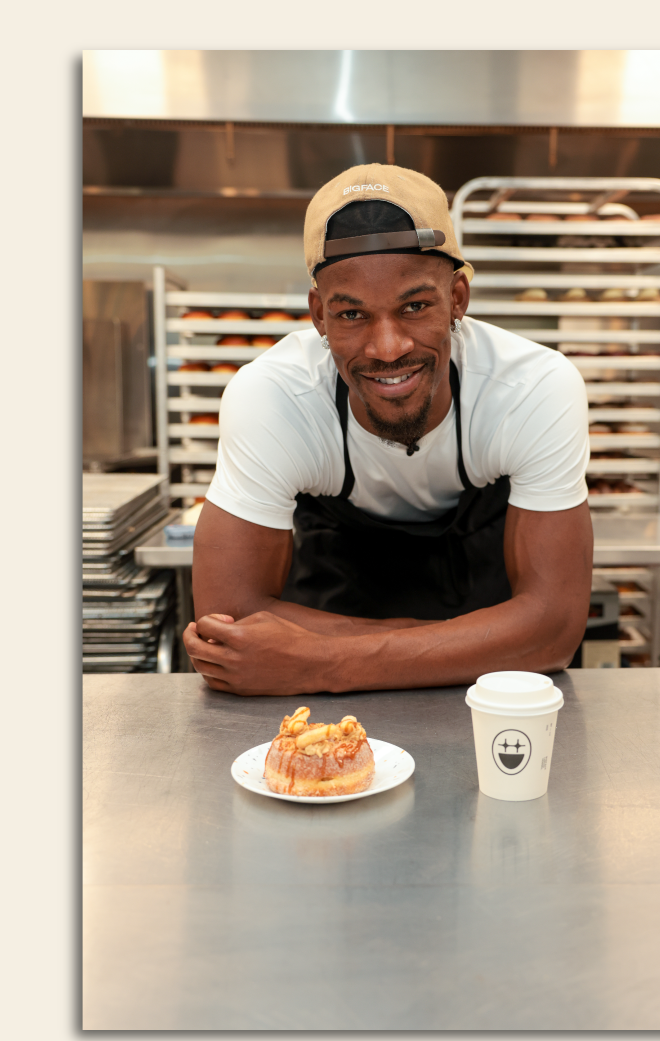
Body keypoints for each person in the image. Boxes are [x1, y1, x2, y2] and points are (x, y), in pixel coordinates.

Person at [184, 163, 592, 695]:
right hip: (364, 700)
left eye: (415, 306)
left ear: (459, 300)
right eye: (352, 315)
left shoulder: (533, 387)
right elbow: (228, 628)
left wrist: (323, 662)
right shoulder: (275, 396)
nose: (387, 347)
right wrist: (491, 639)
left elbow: (553, 633)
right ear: (318, 316)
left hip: (482, 704)